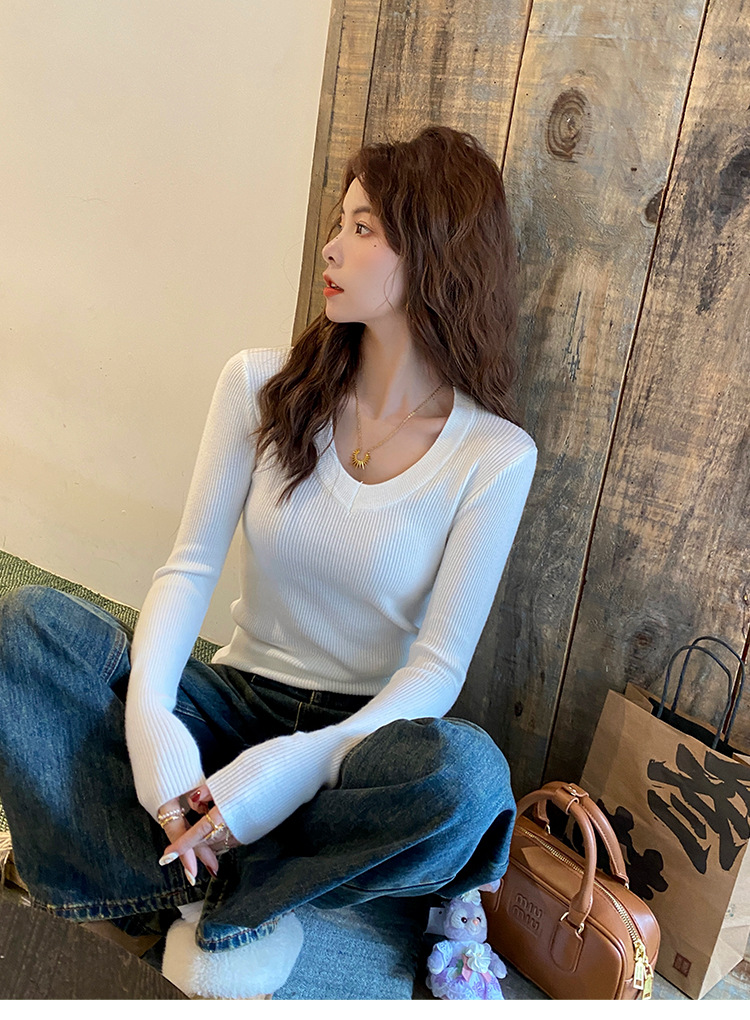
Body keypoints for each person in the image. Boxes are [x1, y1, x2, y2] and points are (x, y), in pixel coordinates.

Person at [0, 125, 537, 998]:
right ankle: (205, 881)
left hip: (359, 748)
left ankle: (211, 899)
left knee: (470, 782)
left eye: (363, 228)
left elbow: (436, 670)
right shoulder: (260, 384)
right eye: (339, 222)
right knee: (29, 630)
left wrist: (297, 768)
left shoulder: (495, 456)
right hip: (233, 699)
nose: (331, 247)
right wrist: (154, 727)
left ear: (434, 255)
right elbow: (188, 568)